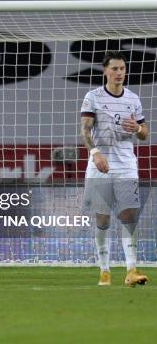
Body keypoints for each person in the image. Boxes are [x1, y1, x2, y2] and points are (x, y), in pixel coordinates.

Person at [80, 51, 149, 287]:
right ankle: (105, 270)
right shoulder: (93, 97)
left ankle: (131, 270)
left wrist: (137, 130)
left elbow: (144, 133)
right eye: (115, 69)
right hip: (101, 165)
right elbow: (86, 130)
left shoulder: (133, 98)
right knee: (103, 218)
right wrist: (95, 152)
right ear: (105, 71)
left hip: (126, 165)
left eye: (122, 69)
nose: (119, 73)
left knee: (129, 215)